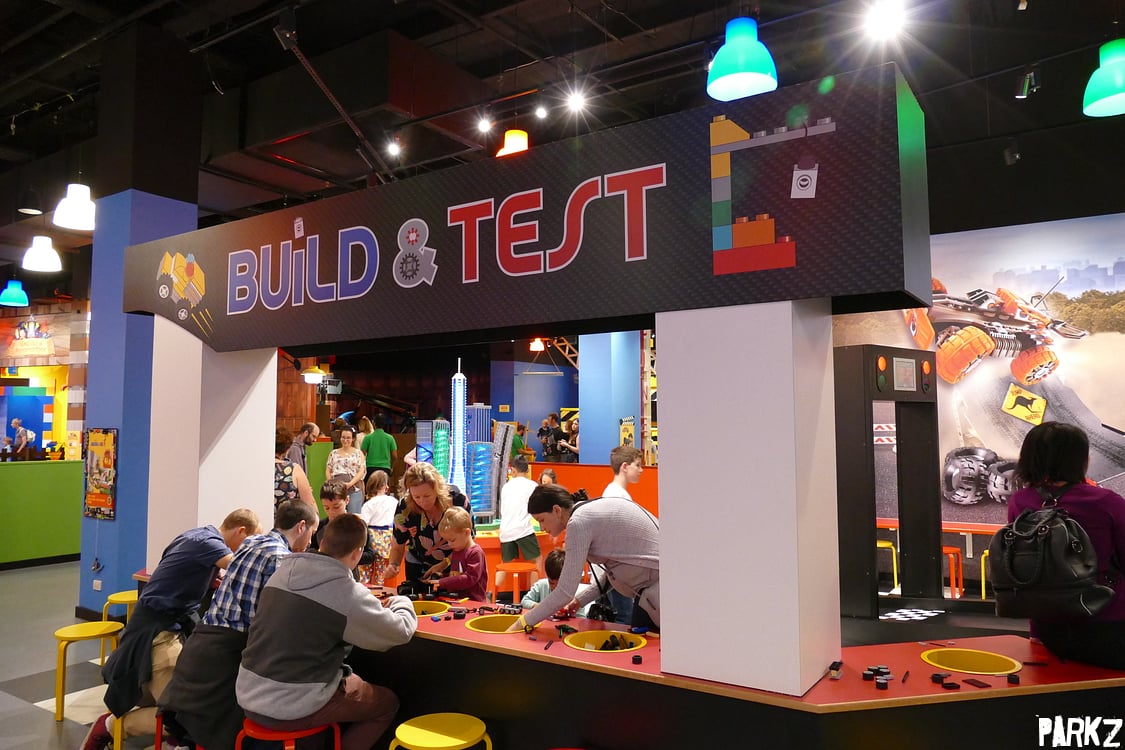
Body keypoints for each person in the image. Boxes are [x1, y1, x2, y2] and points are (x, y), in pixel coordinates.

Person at [81, 509, 260, 750]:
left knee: (179, 701)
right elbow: (243, 567)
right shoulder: (210, 544)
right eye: (249, 542)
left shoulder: (196, 536)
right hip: (159, 633)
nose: (247, 548)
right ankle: (109, 726)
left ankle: (174, 738)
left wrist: (208, 578)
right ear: (241, 531)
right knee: (182, 716)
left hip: (160, 626)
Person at [236, 513, 417, 750]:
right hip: (293, 704)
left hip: (248, 694)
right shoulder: (345, 591)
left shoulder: (282, 573)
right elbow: (400, 631)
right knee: (387, 704)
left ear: (322, 543)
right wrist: (402, 600)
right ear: (358, 553)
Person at [158, 501, 319, 750]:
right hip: (225, 663)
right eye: (312, 532)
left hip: (199, 647)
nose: (311, 540)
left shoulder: (250, 543)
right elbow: (278, 618)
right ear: (301, 527)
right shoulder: (281, 558)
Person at [1007, 421, 1125, 669]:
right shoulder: (1107, 502)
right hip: (1109, 626)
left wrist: (1036, 632)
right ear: (1080, 459)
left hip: (1049, 629)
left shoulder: (1021, 501)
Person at [511, 484, 659, 632]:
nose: (541, 527)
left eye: (542, 520)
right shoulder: (586, 513)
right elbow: (614, 572)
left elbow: (564, 592)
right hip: (652, 591)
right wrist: (578, 601)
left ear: (557, 510)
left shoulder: (578, 522)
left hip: (655, 593)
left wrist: (522, 622)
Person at [386, 462, 459, 591]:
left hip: (454, 566)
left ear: (437, 489)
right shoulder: (405, 507)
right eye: (416, 497)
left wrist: (445, 563)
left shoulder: (456, 500)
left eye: (427, 496)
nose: (422, 501)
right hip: (418, 566)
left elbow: (468, 542)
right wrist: (394, 564)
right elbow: (398, 545)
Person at [311, 479, 377, 581]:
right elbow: (311, 550)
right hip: (323, 578)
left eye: (336, 507)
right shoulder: (320, 526)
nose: (332, 512)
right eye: (326, 508)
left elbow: (370, 555)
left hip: (349, 578)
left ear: (347, 500)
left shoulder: (357, 525)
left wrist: (346, 556)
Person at [497, 455, 543, 594]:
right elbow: (538, 509)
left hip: (505, 531)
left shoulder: (506, 487)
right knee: (536, 560)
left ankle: (492, 592)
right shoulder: (532, 486)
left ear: (513, 470)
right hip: (523, 529)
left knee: (504, 564)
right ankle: (534, 594)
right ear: (527, 470)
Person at [425, 506, 488, 601]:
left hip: (473, 601)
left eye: (452, 540)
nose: (449, 544)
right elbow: (457, 575)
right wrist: (443, 576)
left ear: (466, 532)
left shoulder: (475, 552)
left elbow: (470, 578)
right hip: (457, 600)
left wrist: (443, 582)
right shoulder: (457, 550)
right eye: (447, 541)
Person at [521, 549, 591, 616]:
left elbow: (581, 617)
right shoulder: (541, 585)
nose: (555, 588)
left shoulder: (575, 594)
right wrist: (540, 607)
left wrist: (569, 612)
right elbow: (524, 601)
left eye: (560, 584)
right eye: (552, 583)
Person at [360, 470, 398, 588]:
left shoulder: (368, 504)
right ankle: (380, 589)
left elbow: (364, 523)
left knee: (365, 568)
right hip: (387, 537)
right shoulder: (393, 501)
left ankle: (364, 588)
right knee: (381, 569)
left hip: (371, 536)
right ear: (385, 486)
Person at [326, 426, 366, 513]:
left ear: (353, 439)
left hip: (354, 489)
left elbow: (361, 471)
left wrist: (350, 484)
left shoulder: (358, 453)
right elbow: (328, 469)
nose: (345, 440)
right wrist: (331, 484)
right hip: (336, 490)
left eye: (348, 438)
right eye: (343, 437)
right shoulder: (333, 453)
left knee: (353, 515)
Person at [274, 426, 315, 508]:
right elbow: (311, 507)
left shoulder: (259, 467)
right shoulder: (294, 469)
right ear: (287, 448)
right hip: (288, 515)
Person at [361, 413, 399, 480]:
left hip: (370, 468)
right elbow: (395, 456)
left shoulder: (368, 438)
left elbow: (362, 454)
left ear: (374, 423)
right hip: (385, 468)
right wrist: (391, 468)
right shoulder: (390, 438)